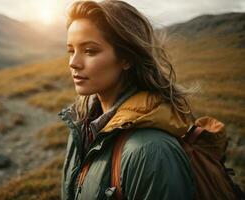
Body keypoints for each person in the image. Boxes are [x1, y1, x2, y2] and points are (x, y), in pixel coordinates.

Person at [58, 0, 196, 199]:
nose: (74, 63)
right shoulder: (81, 126)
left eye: (89, 51)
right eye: (71, 50)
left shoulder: (152, 152)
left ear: (126, 58)